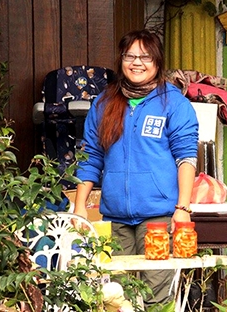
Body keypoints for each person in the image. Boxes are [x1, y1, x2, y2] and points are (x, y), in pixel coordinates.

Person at [73, 29, 199, 307]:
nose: (137, 62)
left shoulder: (174, 103)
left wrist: (183, 208)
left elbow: (186, 158)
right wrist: (79, 208)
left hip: (158, 219)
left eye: (145, 56)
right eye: (130, 56)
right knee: (119, 298)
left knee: (154, 297)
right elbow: (90, 156)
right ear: (121, 60)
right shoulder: (104, 103)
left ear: (157, 62)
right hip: (116, 219)